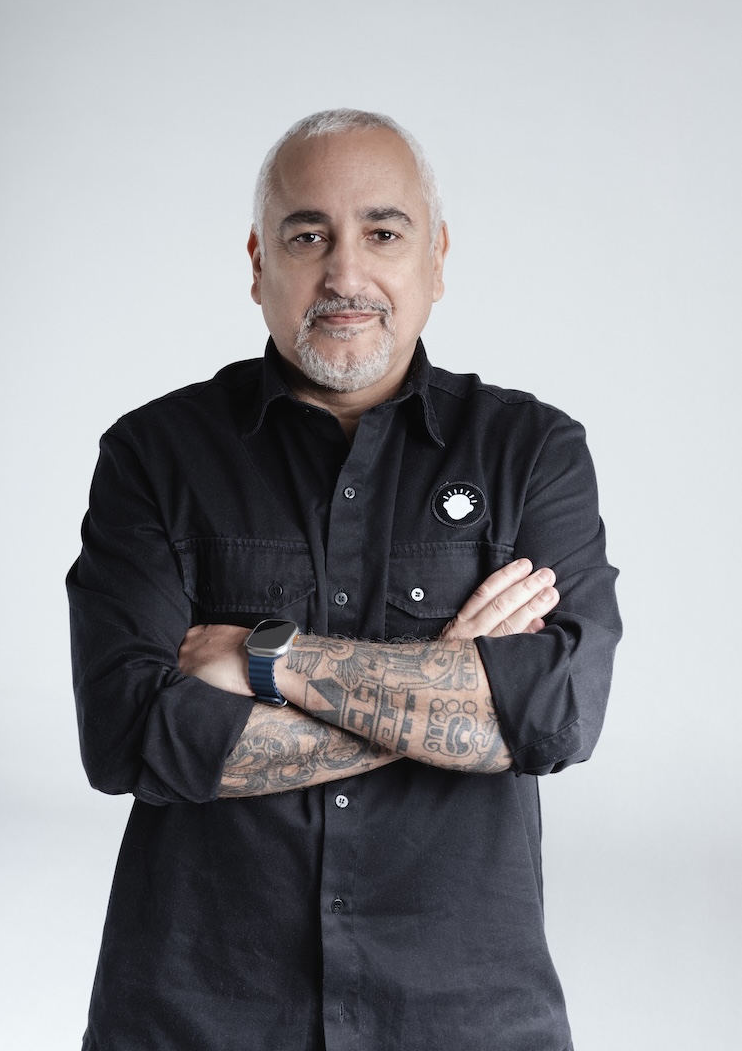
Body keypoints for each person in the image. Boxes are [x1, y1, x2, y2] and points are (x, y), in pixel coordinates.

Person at [67, 108, 621, 1051]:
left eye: (383, 233)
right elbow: (129, 740)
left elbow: (554, 717)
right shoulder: (154, 455)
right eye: (308, 235)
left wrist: (266, 660)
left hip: (463, 1018)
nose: (345, 274)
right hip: (198, 1015)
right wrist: (452, 689)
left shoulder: (531, 453)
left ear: (436, 258)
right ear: (258, 262)